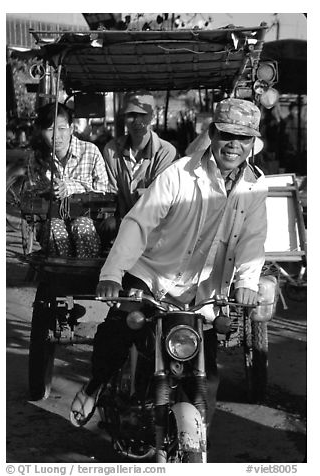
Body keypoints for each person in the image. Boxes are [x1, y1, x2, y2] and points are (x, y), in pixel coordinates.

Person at [70, 98, 272, 437]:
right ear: (212, 134)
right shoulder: (179, 174)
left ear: (253, 142)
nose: (234, 145)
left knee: (205, 380)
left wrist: (247, 281)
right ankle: (95, 386)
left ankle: (194, 443)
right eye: (226, 135)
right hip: (154, 276)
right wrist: (111, 275)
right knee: (118, 334)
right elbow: (138, 223)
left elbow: (253, 238)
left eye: (244, 137)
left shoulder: (255, 185)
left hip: (203, 294)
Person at [27, 102, 110, 258]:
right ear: (41, 131)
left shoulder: (91, 152)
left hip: (90, 222)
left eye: (62, 128)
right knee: (54, 227)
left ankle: (85, 274)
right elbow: (34, 195)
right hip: (50, 222)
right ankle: (61, 275)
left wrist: (70, 187)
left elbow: (103, 191)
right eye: (50, 129)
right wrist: (47, 190)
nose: (56, 136)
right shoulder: (36, 158)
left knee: (82, 226)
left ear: (71, 129)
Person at [99, 91, 178, 245]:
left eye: (143, 115)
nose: (137, 121)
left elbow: (161, 197)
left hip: (157, 224)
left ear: (153, 117)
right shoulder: (112, 149)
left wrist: (144, 194)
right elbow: (112, 192)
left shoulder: (166, 151)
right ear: (124, 118)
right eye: (131, 115)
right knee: (107, 227)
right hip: (124, 220)